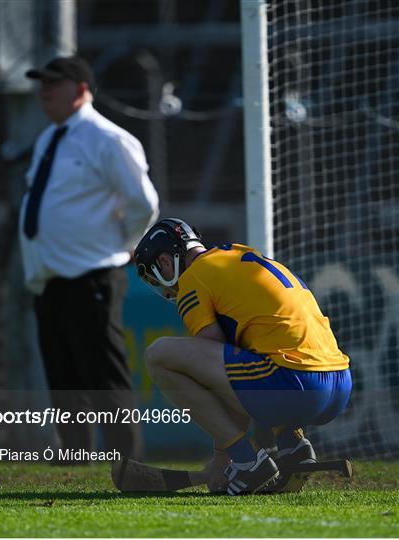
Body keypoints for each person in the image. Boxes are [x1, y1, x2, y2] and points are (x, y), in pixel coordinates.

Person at [133, 218, 352, 494]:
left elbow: (218, 375)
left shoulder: (193, 278)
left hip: (296, 385)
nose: (165, 291)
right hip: (339, 385)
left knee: (159, 355)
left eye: (155, 277)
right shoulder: (238, 254)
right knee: (259, 353)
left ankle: (248, 462)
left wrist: (226, 457)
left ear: (165, 261)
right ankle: (292, 444)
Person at [19, 56, 159, 460]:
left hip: (93, 275)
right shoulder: (51, 138)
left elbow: (144, 201)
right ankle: (77, 463)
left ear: (81, 89)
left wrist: (128, 242)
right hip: (51, 280)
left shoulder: (108, 138)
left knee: (105, 376)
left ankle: (127, 463)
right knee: (64, 381)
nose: (44, 90)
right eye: (41, 82)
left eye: (54, 82)